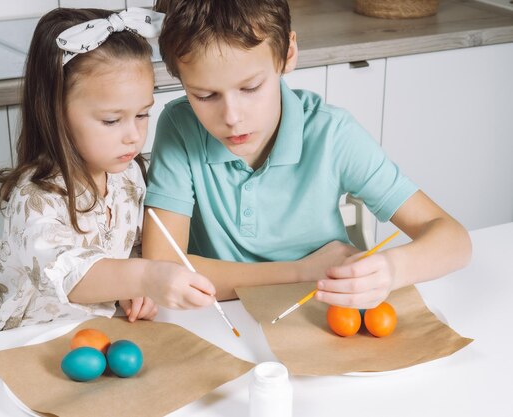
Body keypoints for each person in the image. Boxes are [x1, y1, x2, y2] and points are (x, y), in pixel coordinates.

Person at [143, 0, 472, 308]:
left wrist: (391, 269)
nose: (231, 117)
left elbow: (454, 240)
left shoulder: (332, 133)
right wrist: (304, 271)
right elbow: (162, 267)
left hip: (321, 312)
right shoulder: (180, 127)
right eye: (205, 95)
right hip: (222, 322)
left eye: (251, 88)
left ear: (288, 53)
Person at [0, 7, 215, 334]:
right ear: (57, 111)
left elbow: (129, 247)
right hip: (24, 347)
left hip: (99, 336)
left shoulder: (127, 175)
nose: (133, 135)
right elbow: (68, 273)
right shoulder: (34, 198)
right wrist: (148, 275)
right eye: (111, 120)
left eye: (142, 114)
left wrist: (131, 290)